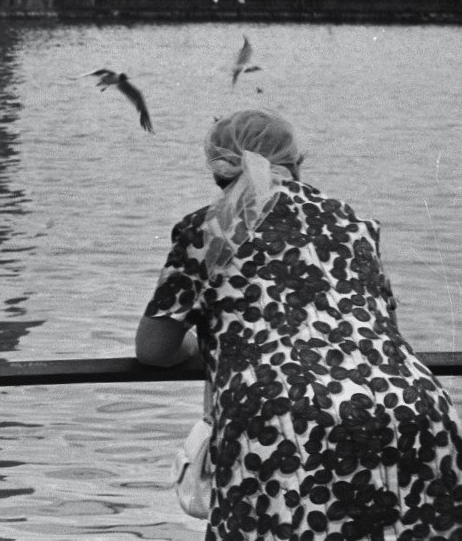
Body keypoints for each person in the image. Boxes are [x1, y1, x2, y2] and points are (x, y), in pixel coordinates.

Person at [138, 109, 462, 540]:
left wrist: (203, 346)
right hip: (412, 408)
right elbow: (378, 326)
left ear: (218, 170)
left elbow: (154, 348)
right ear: (296, 162)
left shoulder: (208, 228)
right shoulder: (351, 221)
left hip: (284, 419)